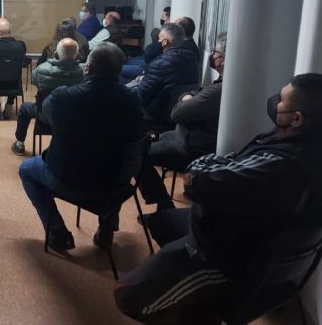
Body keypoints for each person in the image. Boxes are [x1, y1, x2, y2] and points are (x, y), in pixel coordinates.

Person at [114, 74, 322, 325]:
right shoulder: (303, 145)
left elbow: (196, 179)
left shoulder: (280, 164)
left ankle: (203, 309)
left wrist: (210, 162)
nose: (275, 102)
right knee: (161, 222)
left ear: (297, 119)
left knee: (127, 296)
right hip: (236, 228)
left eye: (282, 100)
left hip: (227, 256)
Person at [19, 43, 144, 251]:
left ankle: (57, 232)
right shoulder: (133, 100)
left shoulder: (63, 97)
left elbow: (46, 117)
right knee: (117, 157)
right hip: (114, 184)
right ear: (119, 71)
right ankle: (107, 229)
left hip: (67, 180)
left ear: (88, 69)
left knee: (25, 170)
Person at [138, 33, 227, 211]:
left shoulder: (218, 91)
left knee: (137, 155)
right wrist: (189, 96)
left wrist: (186, 97)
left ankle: (165, 206)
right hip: (185, 135)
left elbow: (177, 113)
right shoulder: (194, 60)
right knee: (145, 142)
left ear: (223, 59)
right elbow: (197, 94)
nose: (212, 55)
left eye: (215, 52)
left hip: (191, 147)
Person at [11, 38, 84, 156]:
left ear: (56, 54)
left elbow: (34, 81)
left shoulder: (42, 69)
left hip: (45, 115)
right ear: (77, 54)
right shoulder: (84, 71)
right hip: (75, 116)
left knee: (24, 108)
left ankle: (19, 144)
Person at [135, 23, 199, 128]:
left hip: (159, 113)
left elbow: (141, 95)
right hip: (181, 110)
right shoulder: (191, 57)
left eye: (159, 39)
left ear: (164, 42)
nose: (157, 42)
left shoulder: (159, 63)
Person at [121, 6, 171, 80]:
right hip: (152, 63)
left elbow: (149, 56)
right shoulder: (162, 33)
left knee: (118, 69)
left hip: (151, 67)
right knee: (130, 61)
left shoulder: (167, 37)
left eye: (164, 17)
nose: (162, 20)